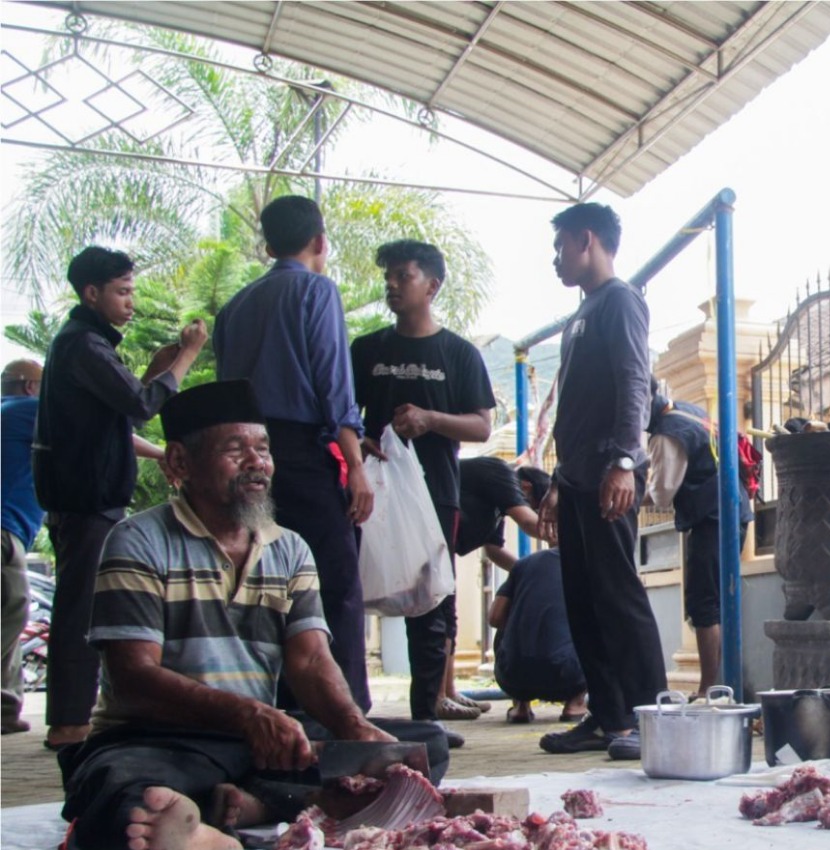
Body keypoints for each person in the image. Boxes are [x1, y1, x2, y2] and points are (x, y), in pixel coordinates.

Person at [56, 379, 447, 850]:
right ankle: (255, 810)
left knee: (423, 746)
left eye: (263, 449)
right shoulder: (137, 540)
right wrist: (249, 715)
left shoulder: (290, 548)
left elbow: (309, 660)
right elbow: (133, 677)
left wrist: (353, 727)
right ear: (179, 463)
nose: (257, 463)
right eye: (235, 449)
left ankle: (244, 807)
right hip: (160, 739)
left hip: (257, 744)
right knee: (123, 787)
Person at [34, 247, 208, 750]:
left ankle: (84, 715)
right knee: (80, 612)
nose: (131, 302)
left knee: (89, 609)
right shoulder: (84, 344)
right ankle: (69, 723)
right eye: (123, 291)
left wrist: (156, 376)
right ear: (92, 293)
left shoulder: (83, 343)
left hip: (89, 497)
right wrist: (187, 356)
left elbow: (119, 417)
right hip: (86, 498)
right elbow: (140, 404)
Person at [213, 196, 373, 710]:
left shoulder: (234, 307)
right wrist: (355, 467)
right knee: (334, 581)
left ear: (268, 246)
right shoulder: (316, 291)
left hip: (243, 456)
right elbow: (334, 386)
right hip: (302, 454)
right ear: (320, 242)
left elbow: (226, 386)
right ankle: (344, 710)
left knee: (264, 580)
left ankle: (275, 704)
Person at [536, 202, 665, 760]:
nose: (555, 258)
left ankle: (651, 718)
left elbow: (634, 382)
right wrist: (558, 481)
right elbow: (576, 407)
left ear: (586, 239)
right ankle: (608, 716)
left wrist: (625, 462)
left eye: (560, 245)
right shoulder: (581, 314)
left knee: (618, 594)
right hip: (576, 477)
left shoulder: (621, 300)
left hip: (609, 472)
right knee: (583, 600)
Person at [350, 239, 495, 733]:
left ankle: (426, 719)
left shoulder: (459, 353)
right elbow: (342, 416)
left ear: (431, 286)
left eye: (402, 276)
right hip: (373, 494)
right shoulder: (366, 349)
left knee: (432, 603)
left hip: (436, 496)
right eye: (388, 277)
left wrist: (430, 419)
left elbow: (482, 427)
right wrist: (360, 444)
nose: (391, 285)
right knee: (350, 593)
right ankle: (352, 716)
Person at [645, 379, 753, 697]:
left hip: (713, 518)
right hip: (732, 510)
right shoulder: (690, 412)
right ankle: (723, 684)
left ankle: (709, 689)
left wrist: (627, 492)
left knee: (704, 603)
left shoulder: (667, 433)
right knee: (718, 601)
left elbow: (662, 494)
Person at [437, 458, 549, 716]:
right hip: (434, 541)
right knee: (440, 618)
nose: (537, 512)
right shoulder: (502, 475)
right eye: (539, 508)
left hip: (444, 549)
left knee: (448, 617)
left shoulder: (498, 504)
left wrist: (531, 571)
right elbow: (530, 523)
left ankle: (449, 691)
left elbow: (494, 550)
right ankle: (437, 696)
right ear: (526, 487)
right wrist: (568, 538)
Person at [488, 469, 587, 725]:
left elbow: (495, 618)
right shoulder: (590, 566)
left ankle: (520, 706)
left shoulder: (524, 565)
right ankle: (575, 703)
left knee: (507, 623)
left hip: (513, 676)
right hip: (567, 675)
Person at [2, 359, 45, 734]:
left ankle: (5, 709)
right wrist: (164, 454)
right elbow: (103, 431)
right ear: (31, 387)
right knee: (11, 612)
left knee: (10, 617)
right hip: (3, 530)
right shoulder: (29, 410)